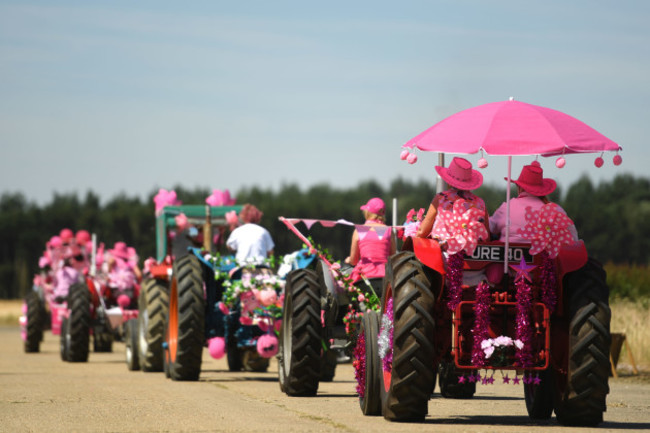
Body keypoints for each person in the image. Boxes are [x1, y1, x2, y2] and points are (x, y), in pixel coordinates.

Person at [490, 162, 579, 243]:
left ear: (519, 187)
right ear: (541, 189)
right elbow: (573, 239)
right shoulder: (555, 210)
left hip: (508, 259)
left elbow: (490, 228)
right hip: (544, 259)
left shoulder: (506, 208)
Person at [416, 157, 489, 239]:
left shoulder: (441, 198)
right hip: (473, 248)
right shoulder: (480, 202)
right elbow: (486, 235)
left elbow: (423, 231)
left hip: (442, 248)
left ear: (449, 181)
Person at [345, 197, 396, 283]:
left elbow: (354, 261)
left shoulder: (358, 231)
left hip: (365, 276)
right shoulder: (389, 231)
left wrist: (349, 259)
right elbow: (393, 257)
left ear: (368, 212)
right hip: (386, 276)